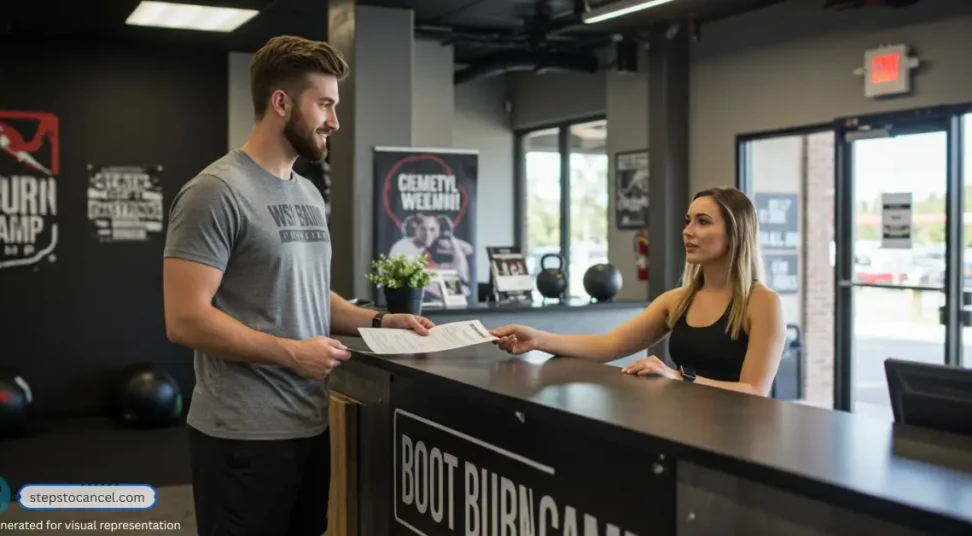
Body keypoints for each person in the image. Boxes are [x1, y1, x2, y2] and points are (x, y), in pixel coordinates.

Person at [162, 35, 434, 535]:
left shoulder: (307, 193)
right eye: (324, 104)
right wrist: (292, 354)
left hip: (308, 424)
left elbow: (304, 292)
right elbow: (185, 319)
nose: (335, 121)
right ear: (281, 102)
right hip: (241, 436)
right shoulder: (215, 192)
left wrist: (378, 320)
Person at [491, 186, 786, 397]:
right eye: (688, 221)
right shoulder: (677, 301)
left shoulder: (763, 303)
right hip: (685, 424)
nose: (688, 231)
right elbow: (608, 345)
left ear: (735, 234)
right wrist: (537, 339)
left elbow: (754, 390)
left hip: (736, 434)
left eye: (703, 222)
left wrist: (678, 378)